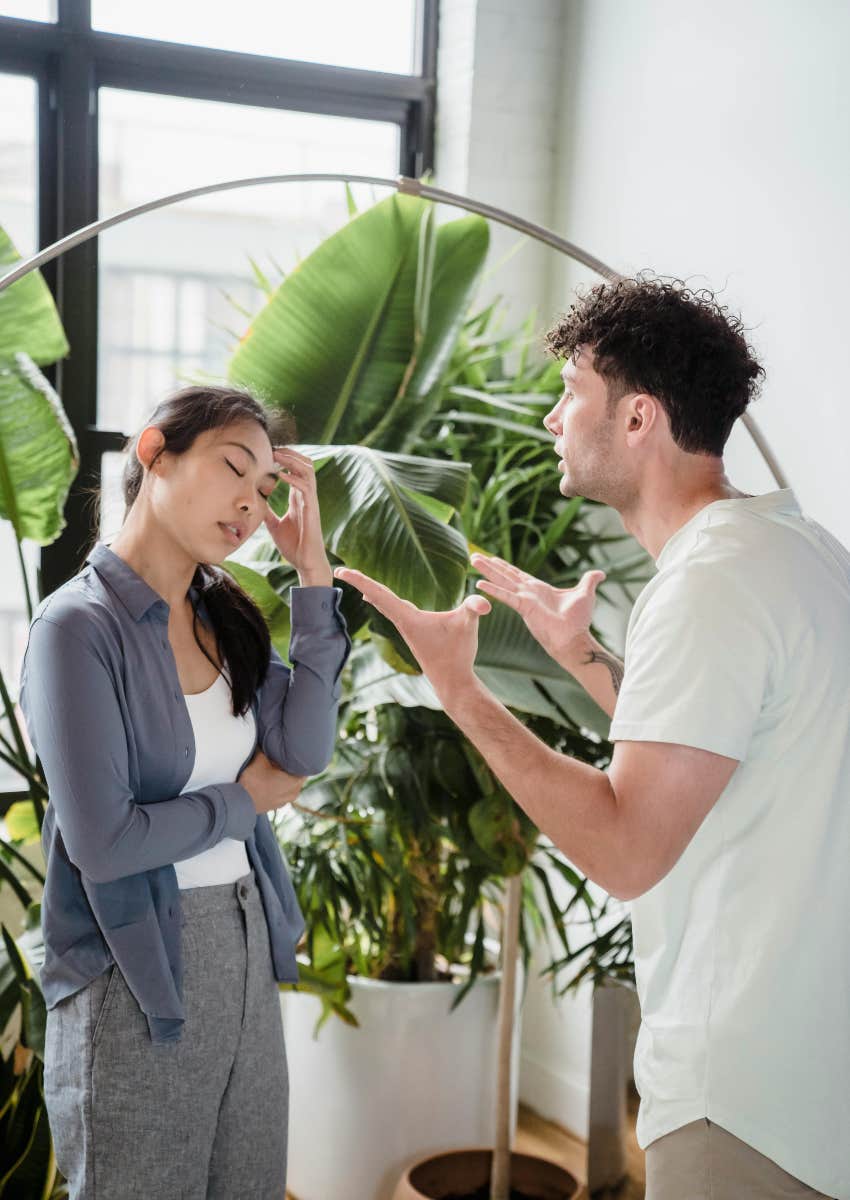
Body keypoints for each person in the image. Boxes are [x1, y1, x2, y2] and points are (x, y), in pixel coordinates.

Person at [335, 275, 849, 1200]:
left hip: (742, 1097)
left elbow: (627, 846)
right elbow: (726, 756)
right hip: (814, 1080)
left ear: (640, 418)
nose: (552, 418)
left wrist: (461, 691)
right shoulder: (800, 552)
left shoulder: (709, 587)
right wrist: (582, 661)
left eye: (572, 391)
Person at [18, 384, 351, 1199]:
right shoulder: (75, 629)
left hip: (242, 947)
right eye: (235, 468)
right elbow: (105, 843)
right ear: (154, 452)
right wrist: (244, 803)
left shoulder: (226, 613)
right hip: (134, 975)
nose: (249, 502)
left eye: (267, 488)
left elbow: (303, 749)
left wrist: (312, 573)